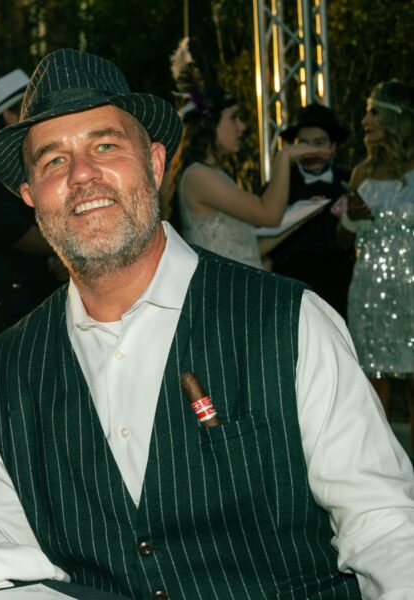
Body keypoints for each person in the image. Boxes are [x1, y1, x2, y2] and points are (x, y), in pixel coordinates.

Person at [0, 49, 414, 598]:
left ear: (156, 165)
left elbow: (383, 527)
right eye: (54, 161)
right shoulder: (12, 370)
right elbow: (13, 570)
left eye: (105, 145)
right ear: (31, 197)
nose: (83, 175)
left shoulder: (287, 321)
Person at [162, 39, 327, 268]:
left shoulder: (216, 174)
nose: (242, 127)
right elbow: (268, 214)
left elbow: (250, 248)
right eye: (233, 118)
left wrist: (302, 217)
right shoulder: (198, 176)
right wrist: (284, 157)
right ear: (210, 125)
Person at [338, 80, 414, 454]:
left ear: (396, 117)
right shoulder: (361, 173)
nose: (365, 119)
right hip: (370, 291)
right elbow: (342, 241)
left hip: (411, 291)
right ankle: (383, 476)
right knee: (375, 390)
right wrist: (351, 218)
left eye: (373, 110)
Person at [0, 69, 63, 343]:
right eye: (30, 104)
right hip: (14, 302)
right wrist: (68, 251)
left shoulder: (42, 157)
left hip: (49, 292)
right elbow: (16, 232)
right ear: (9, 115)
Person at [268, 103, 355, 318]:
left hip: (340, 287)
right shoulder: (278, 185)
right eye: (304, 144)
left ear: (334, 146)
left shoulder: (351, 181)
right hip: (291, 288)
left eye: (319, 143)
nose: (311, 151)